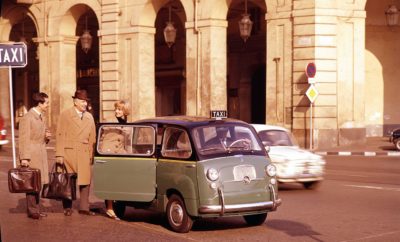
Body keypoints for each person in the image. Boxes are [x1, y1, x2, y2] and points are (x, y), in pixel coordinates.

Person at [55, 90, 96, 216]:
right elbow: (60, 135)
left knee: (85, 182)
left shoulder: (89, 116)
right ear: (75, 101)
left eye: (86, 101)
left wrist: (91, 155)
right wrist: (59, 154)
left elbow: (92, 138)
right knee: (68, 181)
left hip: (84, 152)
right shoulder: (65, 114)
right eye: (83, 101)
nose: (85, 104)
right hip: (69, 152)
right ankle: (67, 207)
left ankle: (84, 208)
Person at [18, 92, 51, 219]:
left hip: (41, 152)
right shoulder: (27, 118)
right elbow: (23, 139)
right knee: (32, 183)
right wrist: (24, 158)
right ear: (39, 103)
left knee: (39, 183)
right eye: (46, 103)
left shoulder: (42, 116)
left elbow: (41, 136)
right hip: (32, 154)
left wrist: (46, 138)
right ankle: (32, 211)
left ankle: (36, 209)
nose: (48, 105)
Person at [104, 100, 130, 220]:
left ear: (125, 111)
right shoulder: (109, 122)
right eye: (116, 109)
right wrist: (107, 152)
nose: (117, 111)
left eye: (119, 109)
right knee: (110, 181)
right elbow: (105, 140)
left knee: (120, 182)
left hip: (121, 156)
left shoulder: (128, 123)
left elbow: (128, 143)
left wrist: (129, 155)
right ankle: (109, 208)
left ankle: (117, 206)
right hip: (110, 155)